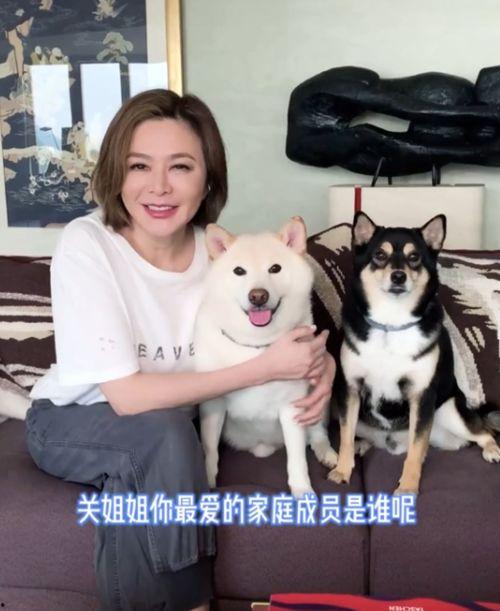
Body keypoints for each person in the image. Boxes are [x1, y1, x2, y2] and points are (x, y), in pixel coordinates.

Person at [26, 89, 336, 611]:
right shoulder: (88, 243)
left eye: (181, 166)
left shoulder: (222, 259)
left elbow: (281, 325)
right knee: (165, 434)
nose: (159, 186)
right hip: (69, 419)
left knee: (146, 469)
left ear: (208, 179)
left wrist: (319, 363)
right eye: (139, 166)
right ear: (116, 174)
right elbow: (126, 398)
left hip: (163, 434)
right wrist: (265, 368)